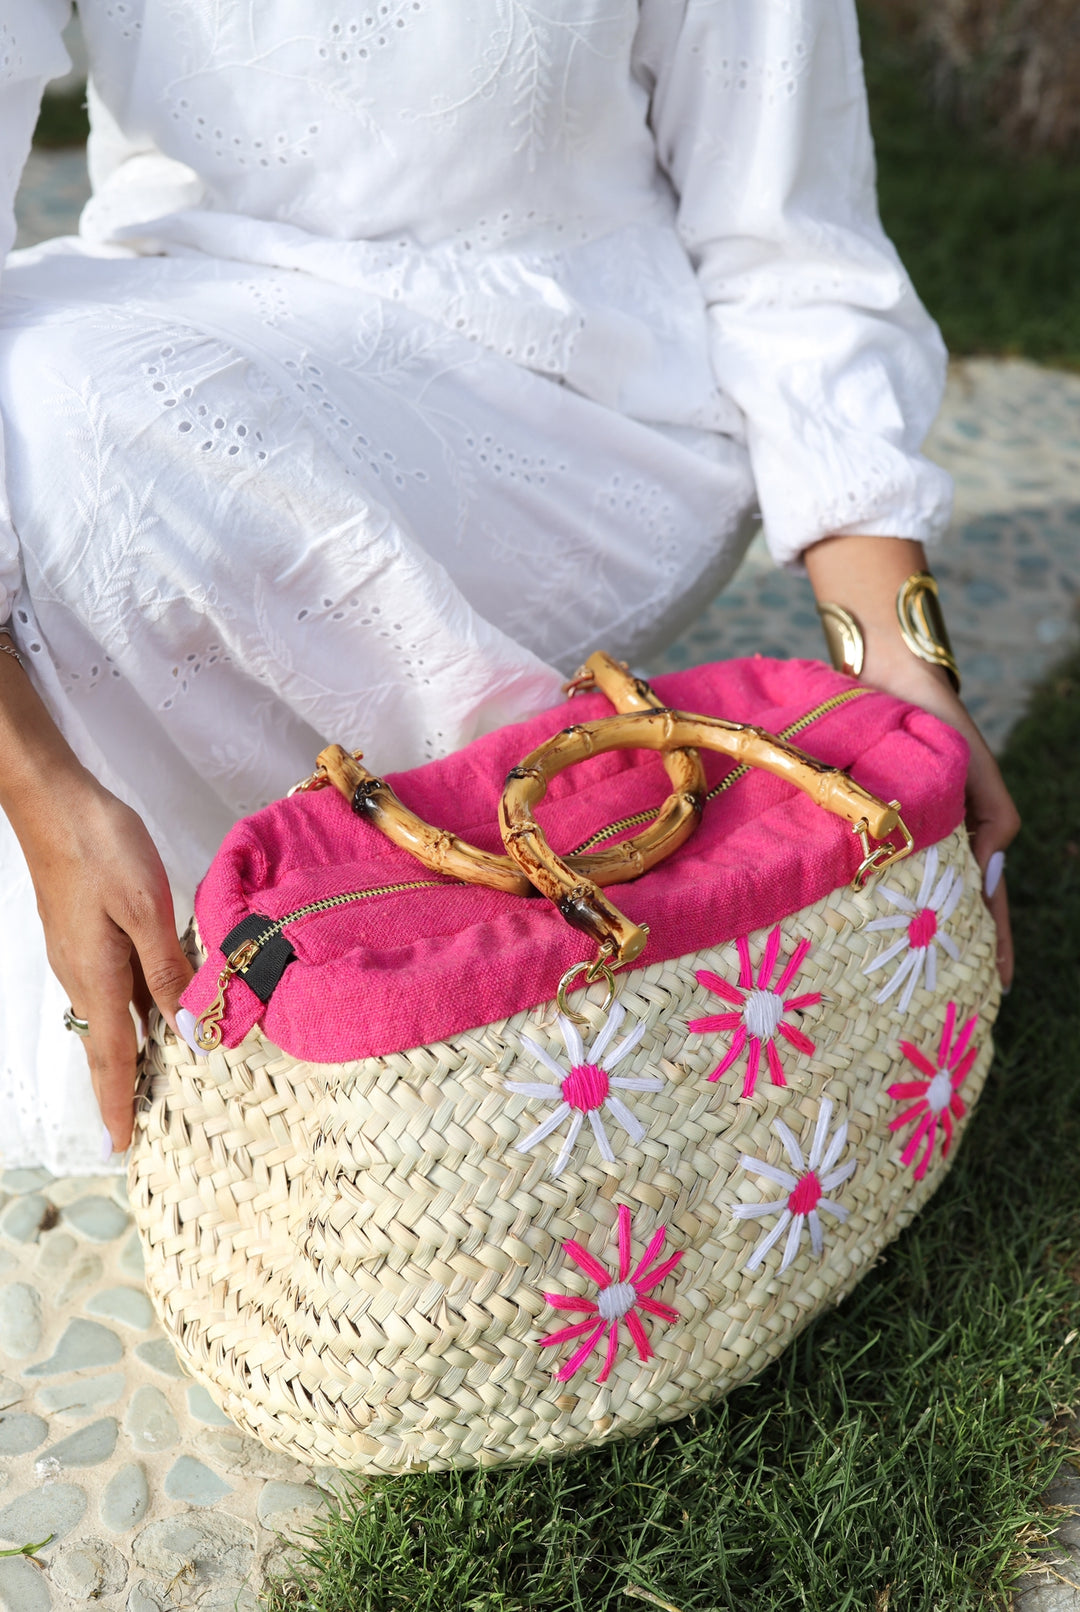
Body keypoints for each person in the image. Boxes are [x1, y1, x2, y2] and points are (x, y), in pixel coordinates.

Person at [0, 0, 1019, 1174]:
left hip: (570, 392)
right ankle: (259, 1049)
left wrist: (899, 663)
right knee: (44, 409)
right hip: (185, 314)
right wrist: (41, 785)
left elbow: (787, 245)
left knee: (102, 441)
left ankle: (493, 966)